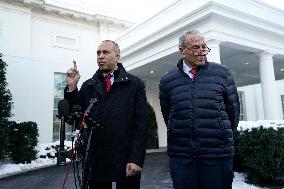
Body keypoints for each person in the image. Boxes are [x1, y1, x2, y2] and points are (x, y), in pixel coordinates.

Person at [159, 30, 240, 189]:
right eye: (196, 48)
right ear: (182, 51)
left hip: (217, 155)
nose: (202, 52)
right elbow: (168, 114)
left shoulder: (222, 73)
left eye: (204, 47)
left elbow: (233, 112)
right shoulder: (167, 80)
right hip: (182, 157)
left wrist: (222, 134)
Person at [64, 40, 148, 189]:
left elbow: (141, 125)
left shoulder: (135, 84)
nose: (100, 56)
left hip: (126, 160)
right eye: (98, 53)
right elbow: (76, 115)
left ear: (117, 56)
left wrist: (136, 159)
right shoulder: (89, 85)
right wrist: (72, 87)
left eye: (105, 52)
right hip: (97, 161)